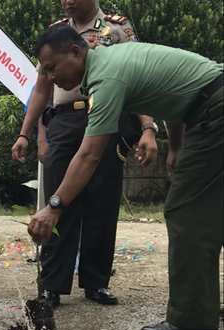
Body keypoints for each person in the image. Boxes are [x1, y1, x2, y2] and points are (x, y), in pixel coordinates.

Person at [28, 25, 223, 330]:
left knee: (186, 211)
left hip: (214, 111)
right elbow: (176, 97)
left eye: (52, 68)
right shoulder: (114, 61)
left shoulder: (107, 78)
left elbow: (90, 154)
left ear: (76, 52)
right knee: (211, 209)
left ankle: (194, 318)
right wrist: (175, 147)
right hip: (210, 103)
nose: (50, 77)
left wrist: (54, 205)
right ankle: (203, 303)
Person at [11, 0, 158, 307]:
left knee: (102, 202)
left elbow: (137, 80)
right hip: (65, 120)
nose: (67, 1)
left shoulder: (117, 29)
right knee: (58, 198)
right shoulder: (54, 36)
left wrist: (147, 127)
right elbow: (40, 89)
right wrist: (25, 133)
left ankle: (96, 282)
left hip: (108, 117)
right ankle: (52, 284)